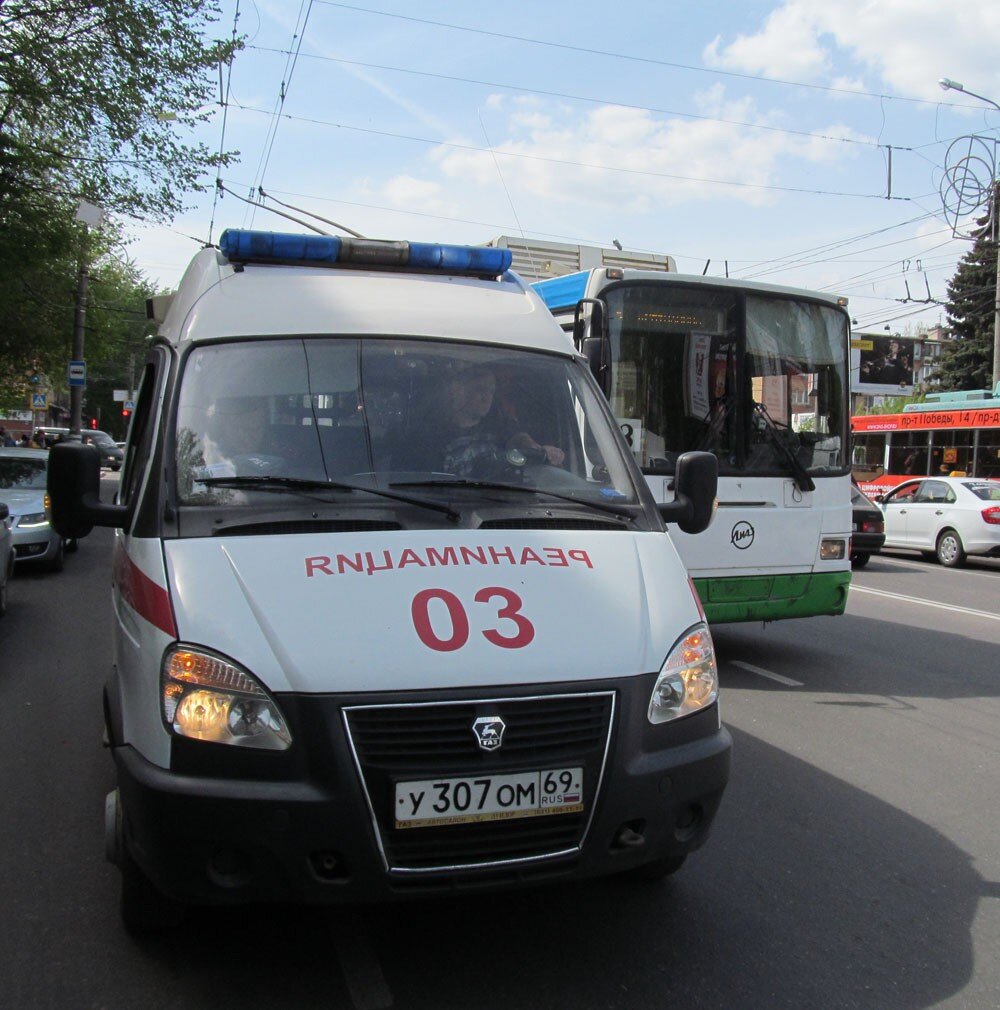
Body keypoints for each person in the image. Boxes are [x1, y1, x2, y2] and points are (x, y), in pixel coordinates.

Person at [409, 363, 564, 478]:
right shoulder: (431, 434)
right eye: (480, 390)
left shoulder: (498, 426)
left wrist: (540, 450)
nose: (487, 398)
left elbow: (519, 440)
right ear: (458, 390)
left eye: (491, 392)